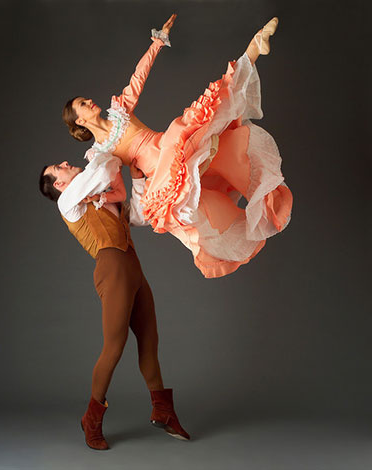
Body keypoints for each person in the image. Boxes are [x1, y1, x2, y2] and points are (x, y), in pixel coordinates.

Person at [62, 14, 293, 278]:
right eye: (83, 104)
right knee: (193, 196)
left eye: (85, 99)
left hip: (170, 144)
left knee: (207, 110)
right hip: (160, 172)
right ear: (80, 121)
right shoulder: (100, 154)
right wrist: (100, 196)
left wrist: (156, 43)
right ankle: (210, 179)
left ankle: (255, 45)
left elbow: (138, 77)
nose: (90, 101)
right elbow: (118, 191)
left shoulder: (119, 109)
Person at [39, 157, 190, 449]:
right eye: (59, 167)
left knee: (149, 341)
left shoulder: (99, 195)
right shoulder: (68, 202)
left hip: (134, 269)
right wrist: (110, 150)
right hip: (113, 271)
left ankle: (164, 410)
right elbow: (100, 170)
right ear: (59, 184)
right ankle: (91, 419)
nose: (65, 162)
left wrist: (138, 179)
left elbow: (141, 216)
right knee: (114, 347)